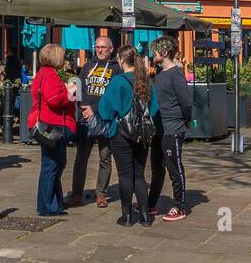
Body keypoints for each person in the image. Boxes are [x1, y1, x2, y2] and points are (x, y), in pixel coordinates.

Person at [99, 45, 159, 227]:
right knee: (139, 175)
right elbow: (155, 109)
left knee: (125, 176)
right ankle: (145, 216)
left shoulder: (118, 81)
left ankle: (126, 216)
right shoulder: (146, 81)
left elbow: (104, 110)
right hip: (142, 133)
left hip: (121, 133)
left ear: (122, 60)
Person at [68, 34, 119, 208]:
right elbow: (79, 87)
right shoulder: (88, 65)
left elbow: (113, 94)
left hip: (104, 118)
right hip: (86, 119)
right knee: (81, 158)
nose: (99, 50)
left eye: (103, 47)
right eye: (97, 47)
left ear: (111, 49)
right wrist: (82, 107)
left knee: (105, 157)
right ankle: (76, 194)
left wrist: (95, 108)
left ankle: (101, 194)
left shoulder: (116, 69)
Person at [29, 42, 77, 216]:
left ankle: (53, 203)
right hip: (51, 125)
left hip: (43, 123)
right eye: (62, 56)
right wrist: (68, 92)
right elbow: (54, 99)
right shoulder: (50, 75)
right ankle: (47, 206)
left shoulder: (43, 73)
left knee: (54, 164)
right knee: (51, 166)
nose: (64, 59)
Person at [148, 35, 192, 221]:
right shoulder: (160, 73)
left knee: (174, 168)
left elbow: (186, 103)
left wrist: (186, 122)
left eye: (155, 51)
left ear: (164, 53)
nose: (152, 54)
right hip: (158, 127)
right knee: (157, 168)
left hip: (172, 128)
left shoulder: (176, 75)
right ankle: (151, 204)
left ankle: (179, 207)